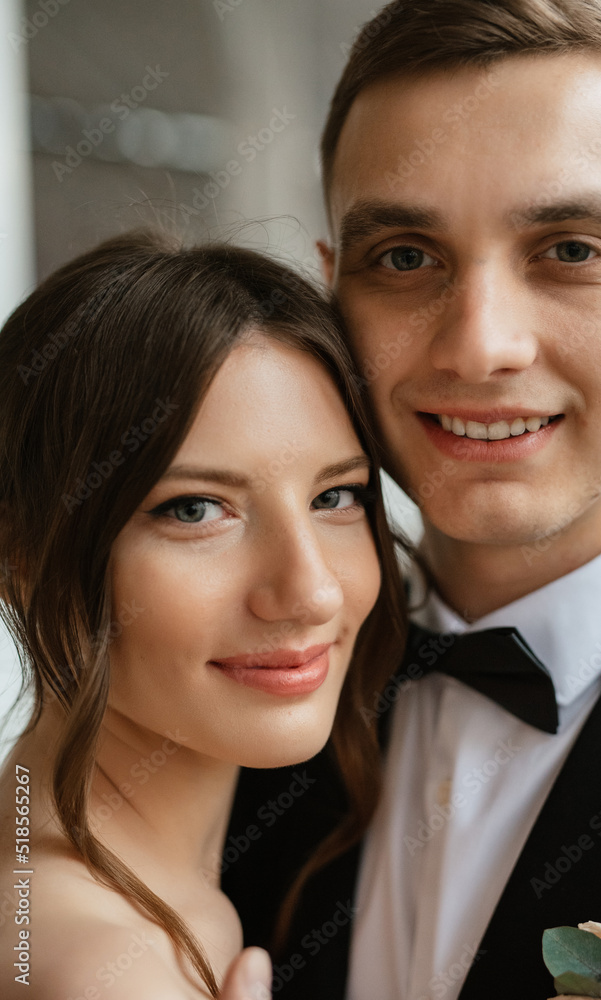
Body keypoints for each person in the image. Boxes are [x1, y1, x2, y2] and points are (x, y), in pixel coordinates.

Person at [223, 1, 601, 997]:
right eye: (404, 258)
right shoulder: (241, 675)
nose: (478, 346)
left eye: (570, 250)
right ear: (332, 293)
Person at [0, 229, 406, 999]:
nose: (312, 592)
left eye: (335, 496)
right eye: (195, 509)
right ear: (20, 553)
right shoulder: (102, 971)